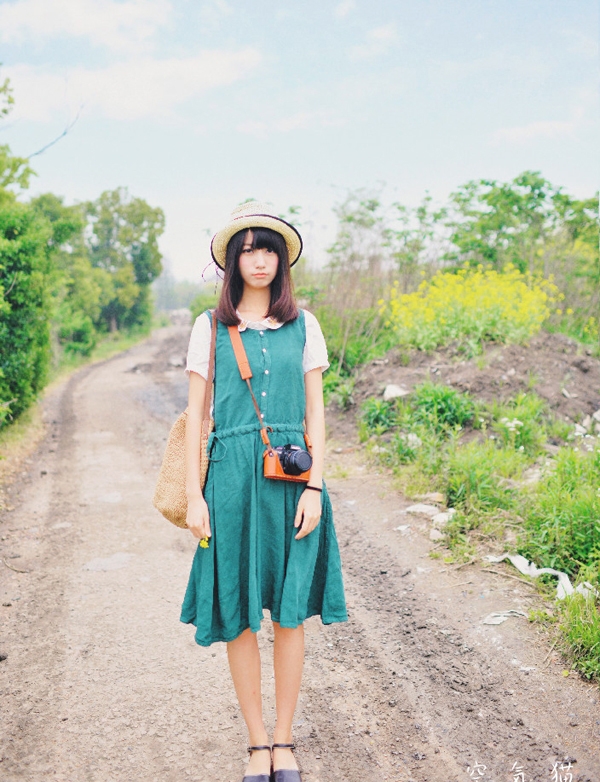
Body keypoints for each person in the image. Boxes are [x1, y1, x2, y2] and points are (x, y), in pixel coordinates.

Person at [181, 201, 347, 782]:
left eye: (268, 248)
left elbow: (318, 419)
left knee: (292, 612)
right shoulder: (210, 327)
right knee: (242, 614)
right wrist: (192, 497)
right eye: (248, 248)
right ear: (233, 260)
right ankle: (256, 744)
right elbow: (196, 418)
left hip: (293, 481)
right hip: (227, 481)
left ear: (282, 260)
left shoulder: (305, 325)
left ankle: (284, 741)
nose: (259, 259)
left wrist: (316, 488)